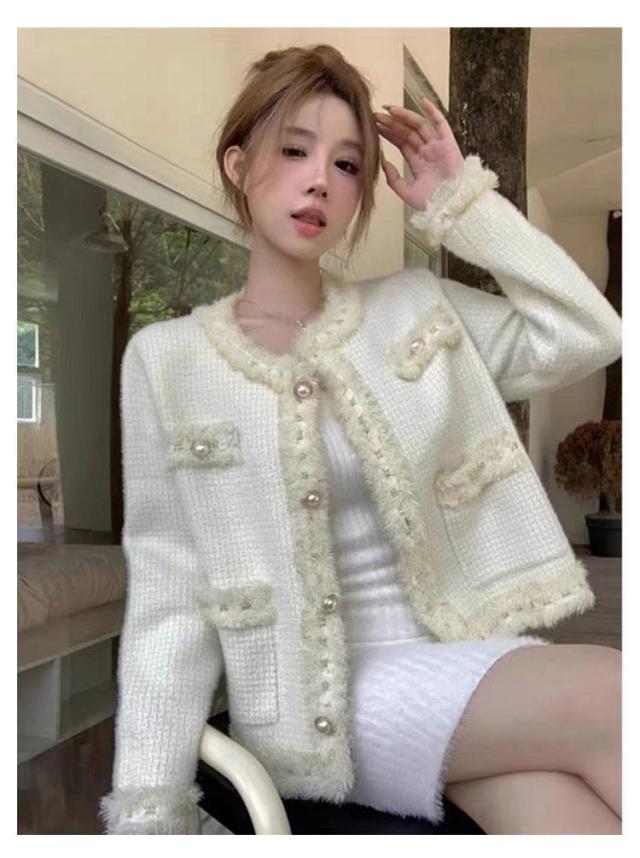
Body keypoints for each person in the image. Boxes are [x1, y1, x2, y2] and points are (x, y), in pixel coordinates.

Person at [99, 44, 622, 835]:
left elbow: (588, 333)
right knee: (613, 693)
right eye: (294, 150)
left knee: (573, 821)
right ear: (238, 165)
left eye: (348, 165)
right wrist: (149, 812)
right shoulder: (169, 361)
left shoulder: (414, 307)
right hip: (324, 707)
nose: (320, 180)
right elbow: (169, 596)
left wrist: (462, 203)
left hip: (459, 662)